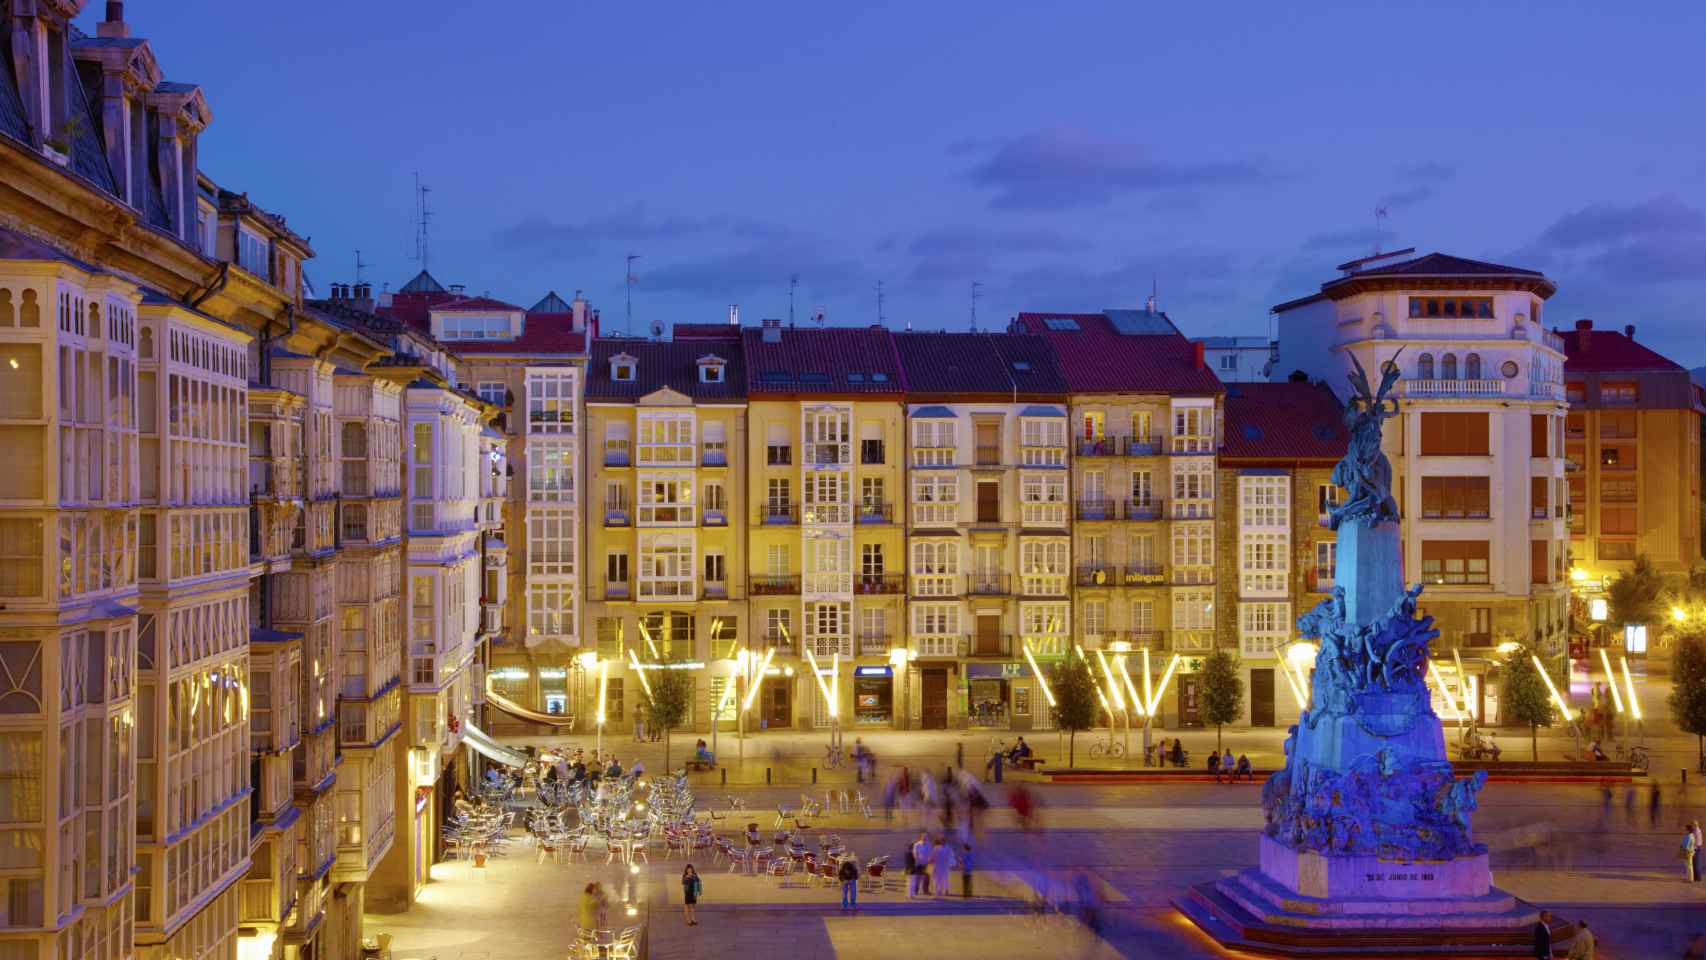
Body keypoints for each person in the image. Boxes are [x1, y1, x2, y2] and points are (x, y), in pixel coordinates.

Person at [930, 833, 954, 898]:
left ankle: (946, 890)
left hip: (945, 866)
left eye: (943, 840)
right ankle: (937, 891)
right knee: (937, 879)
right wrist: (931, 861)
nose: (942, 841)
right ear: (940, 841)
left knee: (945, 879)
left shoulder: (948, 848)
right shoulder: (936, 848)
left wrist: (949, 861)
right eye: (941, 840)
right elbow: (932, 856)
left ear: (945, 841)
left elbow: (951, 856)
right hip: (937, 866)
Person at [908, 833, 931, 897]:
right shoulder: (917, 844)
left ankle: (926, 890)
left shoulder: (928, 844)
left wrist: (929, 860)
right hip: (919, 863)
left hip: (926, 863)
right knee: (918, 878)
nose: (925, 838)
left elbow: (930, 853)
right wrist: (917, 861)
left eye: (926, 837)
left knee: (927, 877)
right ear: (921, 837)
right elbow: (915, 853)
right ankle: (916, 890)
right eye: (924, 837)